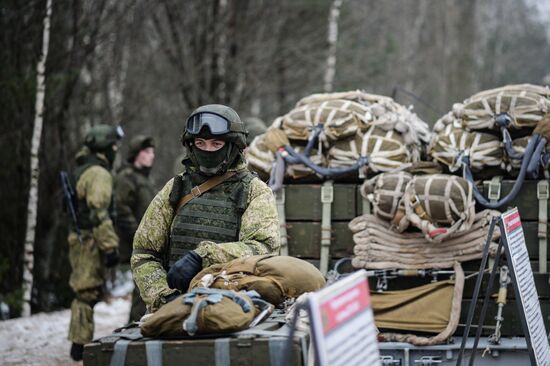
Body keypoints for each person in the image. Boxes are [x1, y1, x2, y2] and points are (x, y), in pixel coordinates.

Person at [131, 104, 280, 313]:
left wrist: (203, 257)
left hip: (233, 305)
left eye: (216, 143)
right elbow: (144, 253)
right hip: (173, 309)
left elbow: (263, 249)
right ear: (191, 145)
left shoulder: (255, 191)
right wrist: (164, 296)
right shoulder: (175, 188)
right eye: (200, 143)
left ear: (232, 146)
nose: (207, 150)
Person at [67, 124, 123, 361]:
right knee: (86, 291)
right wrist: (110, 246)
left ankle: (79, 343)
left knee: (86, 290)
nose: (115, 150)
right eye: (113, 146)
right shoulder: (98, 173)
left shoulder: (85, 168)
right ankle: (79, 346)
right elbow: (98, 212)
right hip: (89, 239)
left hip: (83, 237)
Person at [115, 135, 156, 322]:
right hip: (136, 242)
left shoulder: (144, 179)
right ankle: (135, 325)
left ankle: (141, 322)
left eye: (152, 152)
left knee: (145, 285)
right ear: (136, 154)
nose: (151, 156)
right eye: (147, 152)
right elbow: (121, 209)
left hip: (147, 241)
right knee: (142, 285)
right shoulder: (126, 178)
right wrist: (137, 235)